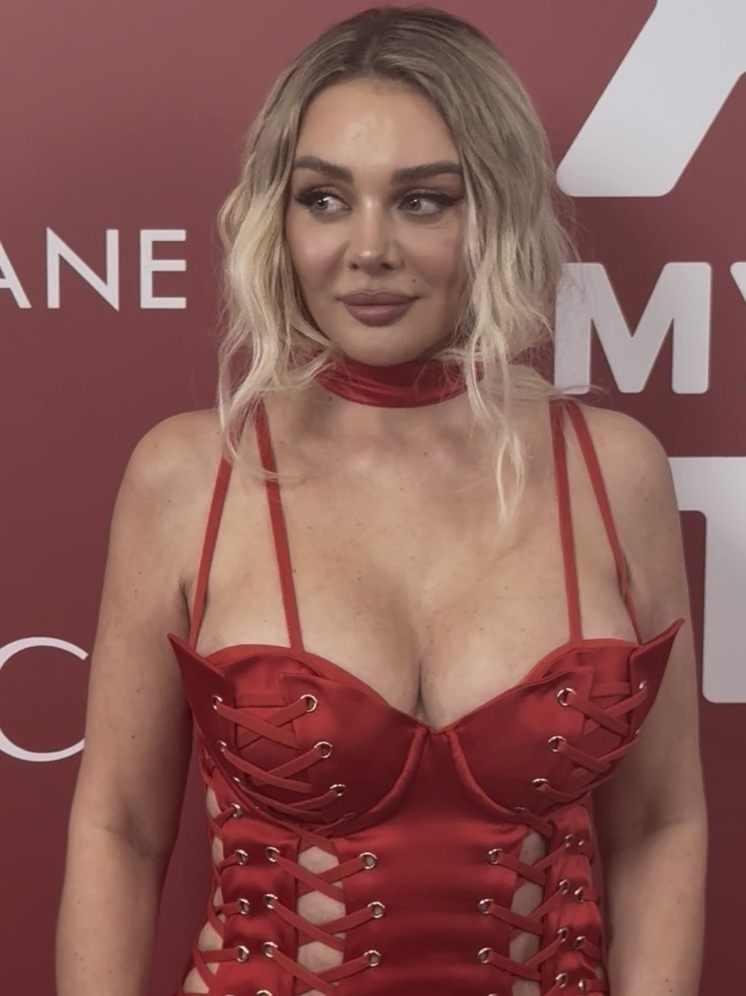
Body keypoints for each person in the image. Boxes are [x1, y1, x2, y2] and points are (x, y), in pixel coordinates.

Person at [55, 6, 707, 995]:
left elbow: (661, 822)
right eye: (324, 198)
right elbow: (121, 827)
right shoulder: (190, 475)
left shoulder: (614, 473)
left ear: (493, 212)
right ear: (278, 217)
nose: (368, 248)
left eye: (421, 201)